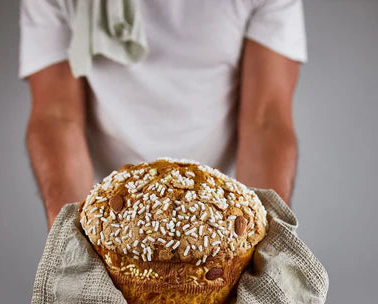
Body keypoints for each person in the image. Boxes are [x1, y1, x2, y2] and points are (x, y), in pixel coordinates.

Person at [19, 0, 307, 230]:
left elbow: (266, 119)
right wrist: (71, 240)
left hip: (216, 205)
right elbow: (57, 116)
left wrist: (268, 242)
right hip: (101, 201)